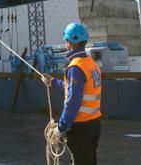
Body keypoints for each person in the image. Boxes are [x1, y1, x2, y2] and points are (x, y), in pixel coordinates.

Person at [41, 23, 102, 165]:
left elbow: (73, 101)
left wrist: (61, 127)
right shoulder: (90, 64)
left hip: (80, 127)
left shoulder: (75, 67)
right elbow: (76, 89)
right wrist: (53, 82)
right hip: (94, 124)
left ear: (69, 42)